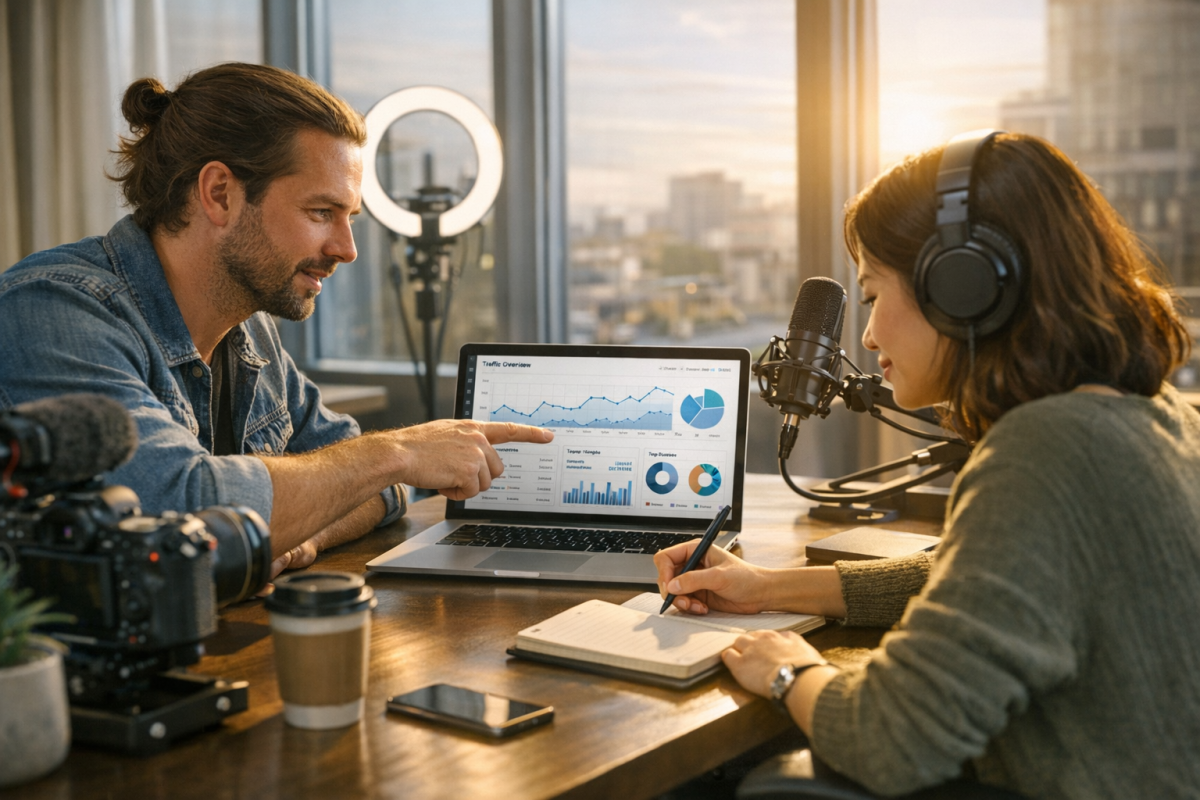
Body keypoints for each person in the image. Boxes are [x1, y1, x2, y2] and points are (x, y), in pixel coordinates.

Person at [655, 132, 1200, 799]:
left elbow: (888, 739)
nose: (867, 334)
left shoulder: (1049, 449)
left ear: (961, 287)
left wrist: (786, 669)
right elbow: (970, 576)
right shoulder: (1159, 418)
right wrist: (767, 588)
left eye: (875, 293)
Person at [0, 63, 552, 577]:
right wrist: (397, 451)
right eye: (321, 212)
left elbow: (382, 488)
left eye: (350, 217)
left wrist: (300, 533)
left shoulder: (248, 327)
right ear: (219, 194)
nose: (347, 248)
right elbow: (175, 511)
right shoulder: (52, 310)